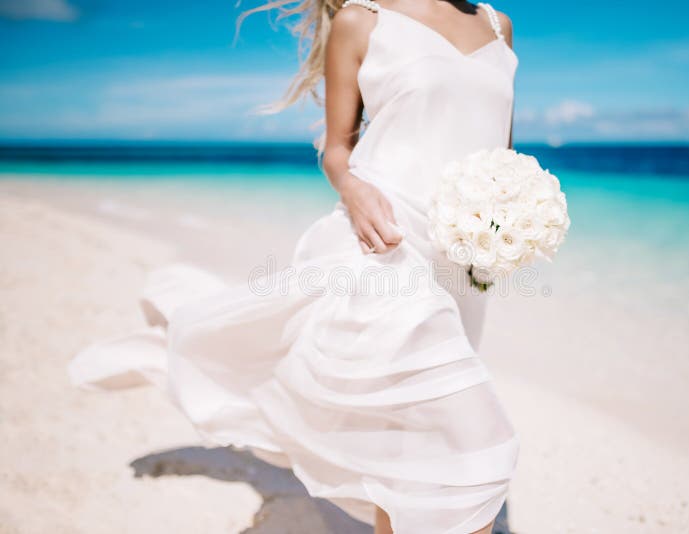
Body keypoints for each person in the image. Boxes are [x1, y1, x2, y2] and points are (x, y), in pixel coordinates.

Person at [69, 1, 520, 532]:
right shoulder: (363, 20)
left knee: (409, 439)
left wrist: (511, 216)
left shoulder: (498, 26)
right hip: (384, 242)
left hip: (462, 255)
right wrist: (353, 191)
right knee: (470, 451)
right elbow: (336, 150)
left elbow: (501, 150)